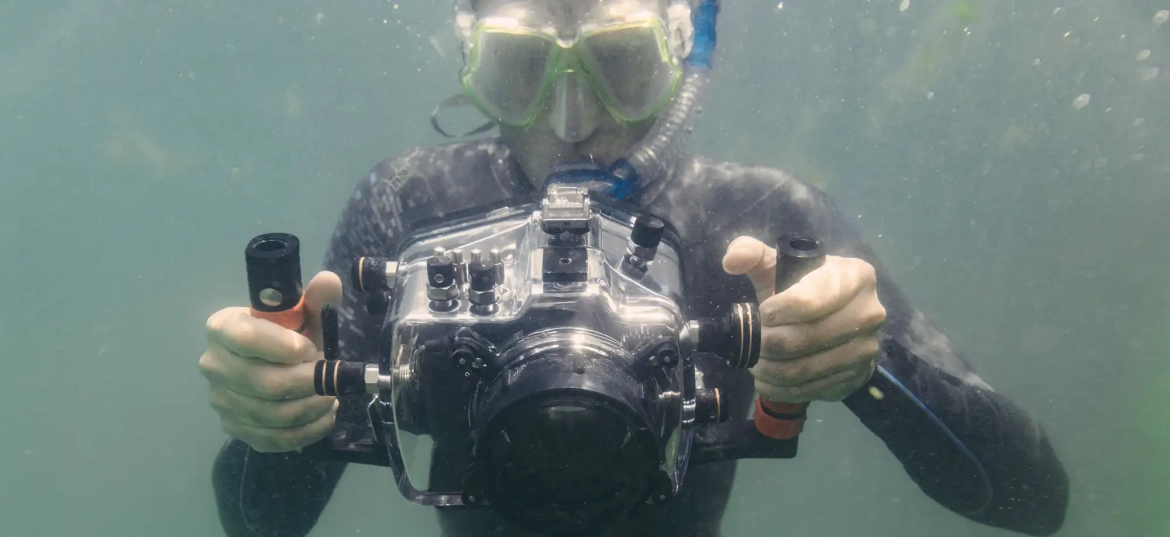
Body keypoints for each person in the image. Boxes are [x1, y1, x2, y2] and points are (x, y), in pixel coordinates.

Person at [197, 0, 1070, 536]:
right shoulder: (408, 212)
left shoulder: (758, 228)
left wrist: (868, 368)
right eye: (519, 71)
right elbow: (261, 518)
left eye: (620, 66)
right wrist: (278, 413)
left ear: (682, 58)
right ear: (470, 63)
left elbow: (1030, 497)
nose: (573, 123)